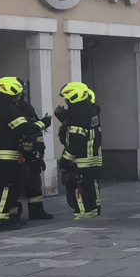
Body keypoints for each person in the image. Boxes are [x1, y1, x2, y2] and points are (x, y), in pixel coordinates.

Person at [0, 77, 48, 231]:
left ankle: (11, 217)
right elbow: (25, 129)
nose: (20, 95)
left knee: (9, 187)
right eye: (18, 92)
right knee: (6, 187)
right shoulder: (8, 109)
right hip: (5, 155)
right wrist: (44, 122)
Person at [56, 82, 103, 220]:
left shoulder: (78, 118)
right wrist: (63, 117)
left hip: (80, 163)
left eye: (67, 99)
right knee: (91, 187)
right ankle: (94, 210)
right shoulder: (91, 112)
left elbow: (74, 145)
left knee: (77, 190)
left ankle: (82, 215)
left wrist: (64, 163)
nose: (66, 102)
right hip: (92, 161)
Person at [16, 84, 54, 221]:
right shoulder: (11, 110)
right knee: (16, 186)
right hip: (17, 155)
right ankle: (15, 214)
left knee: (34, 185)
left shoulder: (27, 107)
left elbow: (36, 129)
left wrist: (39, 153)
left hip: (32, 154)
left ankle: (37, 212)